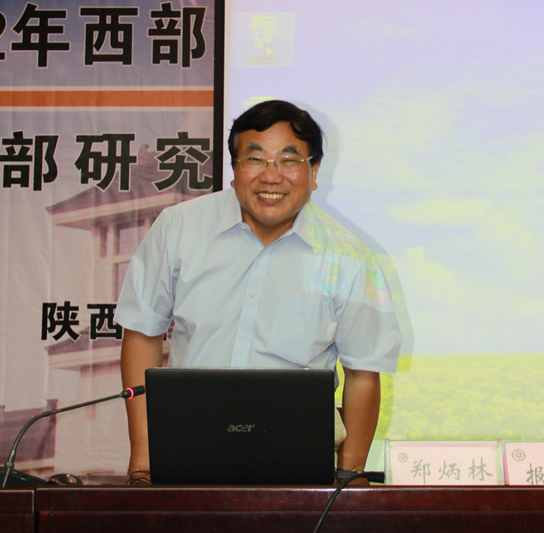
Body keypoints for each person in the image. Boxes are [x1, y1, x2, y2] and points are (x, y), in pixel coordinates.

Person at [116, 99, 401, 485]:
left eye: (288, 160)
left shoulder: (350, 258)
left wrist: (348, 474)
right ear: (234, 170)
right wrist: (143, 459)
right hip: (187, 452)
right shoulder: (179, 227)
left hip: (297, 466)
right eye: (255, 159)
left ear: (314, 171)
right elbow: (141, 332)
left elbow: (363, 372)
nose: (271, 176)